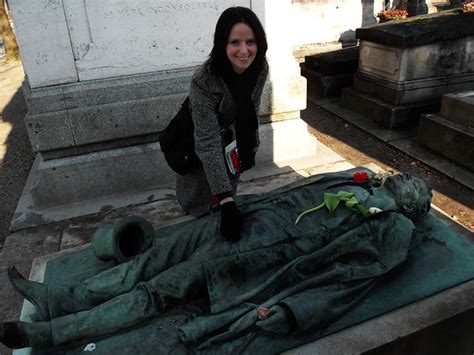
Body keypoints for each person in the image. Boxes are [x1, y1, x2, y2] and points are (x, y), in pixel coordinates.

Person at [0, 171, 432, 350]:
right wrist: (230, 205)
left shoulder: (395, 228)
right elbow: (286, 194)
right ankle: (63, 297)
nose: (408, 177)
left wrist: (293, 310)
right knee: (147, 262)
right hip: (236, 223)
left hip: (247, 258)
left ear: (414, 206)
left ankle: (51, 332)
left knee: (153, 292)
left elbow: (353, 279)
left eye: (416, 185)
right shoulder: (360, 177)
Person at [175, 7, 268, 241]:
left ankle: (224, 198)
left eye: (250, 42)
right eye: (235, 42)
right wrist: (226, 201)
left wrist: (248, 146)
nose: (244, 51)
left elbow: (251, 111)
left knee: (229, 186)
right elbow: (206, 142)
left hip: (233, 139)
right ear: (222, 44)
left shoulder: (259, 68)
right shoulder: (204, 80)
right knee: (199, 206)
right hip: (200, 141)